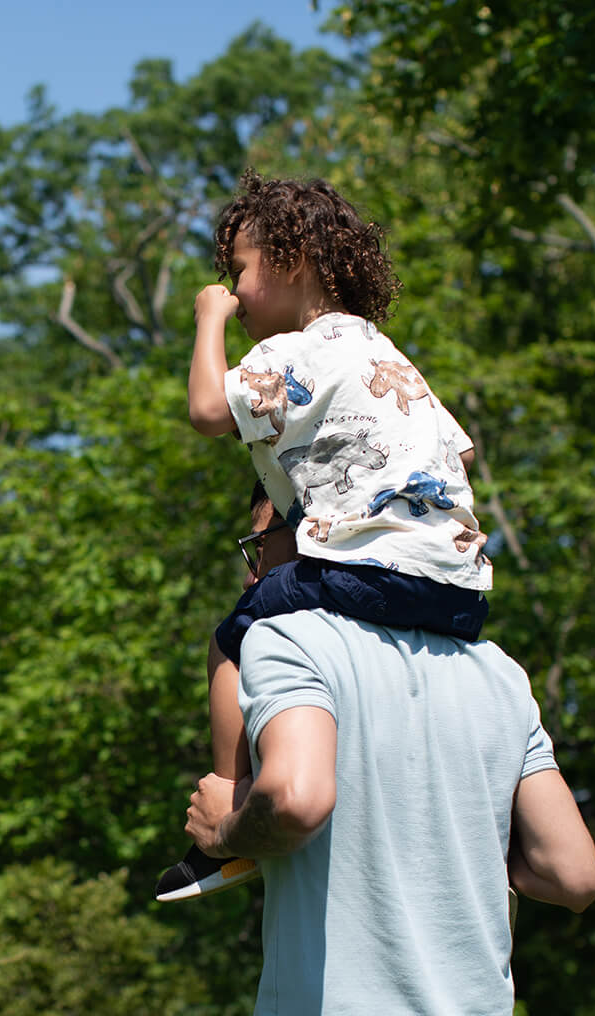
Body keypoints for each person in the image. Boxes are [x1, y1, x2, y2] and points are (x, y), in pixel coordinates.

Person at [183, 491, 595, 1016]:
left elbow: (296, 797)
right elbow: (573, 874)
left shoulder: (289, 638)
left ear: (320, 527)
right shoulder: (498, 672)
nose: (252, 575)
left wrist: (225, 828)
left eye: (261, 545)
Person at [158, 170, 492, 902]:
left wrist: (206, 320)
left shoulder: (299, 350)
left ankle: (230, 804)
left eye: (237, 272)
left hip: (364, 566)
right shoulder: (386, 354)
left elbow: (210, 409)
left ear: (290, 261)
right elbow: (458, 453)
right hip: (457, 586)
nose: (234, 292)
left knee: (232, 640)